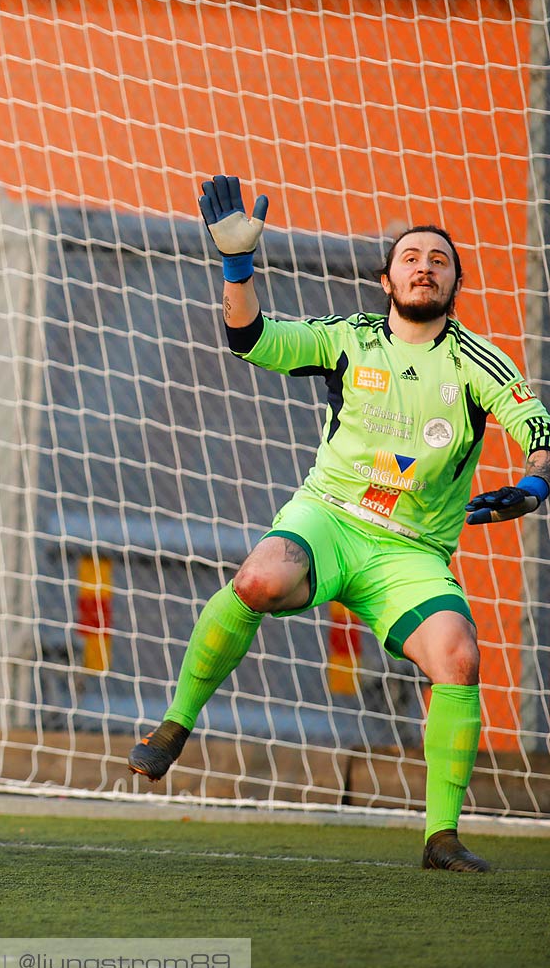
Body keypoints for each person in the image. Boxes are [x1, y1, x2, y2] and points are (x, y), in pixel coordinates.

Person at [129, 174, 550, 873]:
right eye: (412, 257)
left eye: (439, 260)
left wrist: (535, 483)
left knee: (460, 659)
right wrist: (238, 267)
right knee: (259, 579)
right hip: (328, 520)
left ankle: (440, 837)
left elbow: (535, 424)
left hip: (409, 554)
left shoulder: (479, 362)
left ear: (455, 283)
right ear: (386, 278)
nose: (424, 267)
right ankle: (175, 725)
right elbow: (251, 339)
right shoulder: (348, 338)